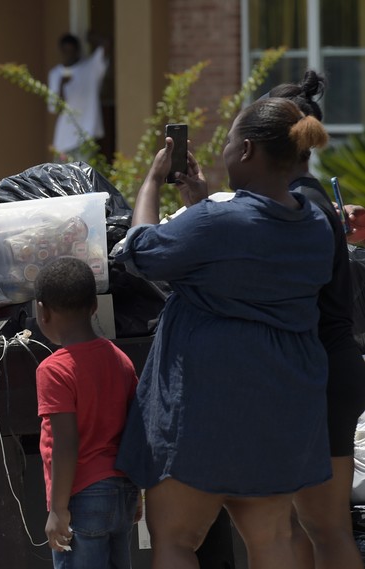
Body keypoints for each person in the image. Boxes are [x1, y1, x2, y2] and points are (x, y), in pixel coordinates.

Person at [115, 97, 334, 569]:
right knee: (273, 540)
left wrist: (153, 181)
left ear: (248, 150)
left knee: (175, 539)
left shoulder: (219, 222)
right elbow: (242, 259)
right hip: (281, 404)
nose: (225, 150)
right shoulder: (316, 225)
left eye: (231, 141)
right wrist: (200, 202)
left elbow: (142, 252)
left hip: (205, 406)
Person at [272, 71, 365, 569]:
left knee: (324, 529)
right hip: (326, 371)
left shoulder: (298, 204)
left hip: (320, 374)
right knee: (299, 528)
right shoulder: (306, 199)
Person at [33, 257, 140, 569]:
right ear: (95, 305)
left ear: (42, 311)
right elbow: (136, 430)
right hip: (123, 492)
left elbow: (67, 443)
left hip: (83, 498)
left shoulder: (53, 369)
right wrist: (138, 494)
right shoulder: (120, 359)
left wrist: (58, 510)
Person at [47, 32, 109, 160]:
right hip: (63, 140)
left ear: (77, 51)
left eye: (71, 51)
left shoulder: (90, 68)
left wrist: (92, 38)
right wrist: (61, 87)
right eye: (65, 51)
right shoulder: (55, 74)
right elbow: (55, 108)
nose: (68, 55)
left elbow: (107, 45)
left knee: (84, 177)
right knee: (60, 178)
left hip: (86, 135)